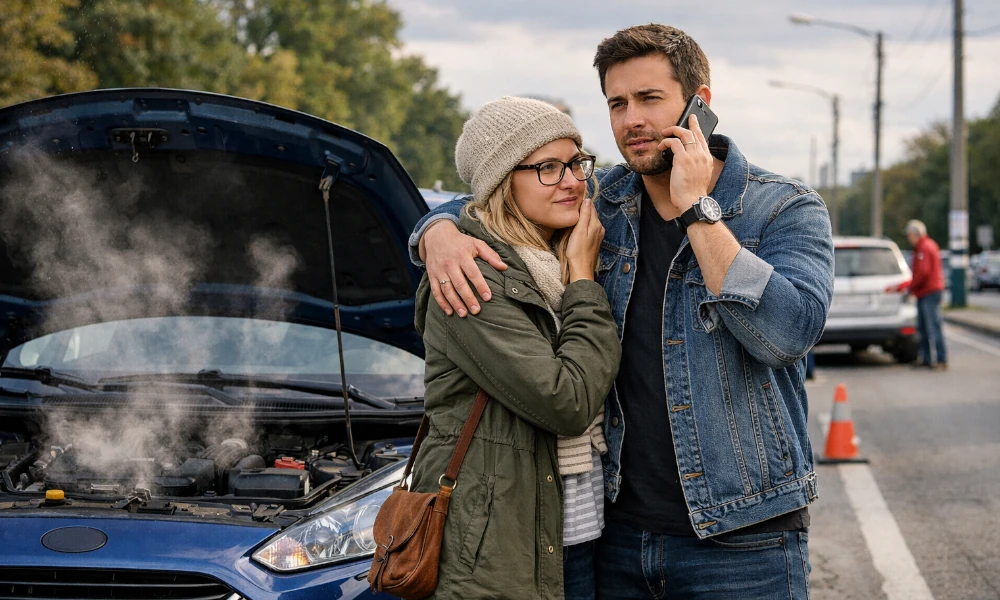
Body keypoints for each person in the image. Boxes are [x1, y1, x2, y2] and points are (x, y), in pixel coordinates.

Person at [409, 24, 834, 599]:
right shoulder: (601, 200)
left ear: (699, 105)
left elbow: (785, 336)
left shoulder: (782, 208)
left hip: (744, 538)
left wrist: (697, 212)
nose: (631, 119)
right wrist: (435, 232)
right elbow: (498, 188)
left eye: (650, 98)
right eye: (617, 103)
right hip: (615, 538)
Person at [407, 96, 621, 599]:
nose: (572, 180)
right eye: (548, 167)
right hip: (499, 552)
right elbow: (565, 402)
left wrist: (431, 227)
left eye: (576, 162)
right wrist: (584, 283)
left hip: (580, 533)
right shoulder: (474, 276)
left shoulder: (558, 254)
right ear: (504, 181)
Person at [905, 219, 947, 369]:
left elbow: (923, 272)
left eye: (909, 235)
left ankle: (940, 359)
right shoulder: (927, 245)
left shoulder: (924, 248)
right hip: (927, 291)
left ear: (915, 234)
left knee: (933, 326)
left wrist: (911, 288)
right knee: (923, 327)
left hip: (929, 291)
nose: (909, 239)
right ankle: (927, 358)